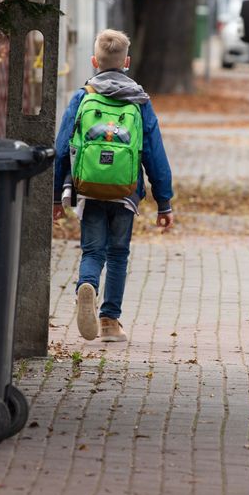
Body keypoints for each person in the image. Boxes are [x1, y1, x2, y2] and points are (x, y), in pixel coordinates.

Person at [52, 29, 174, 342]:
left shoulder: (83, 97)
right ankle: (109, 321)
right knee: (118, 254)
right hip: (125, 191)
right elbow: (153, 153)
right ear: (127, 62)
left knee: (93, 250)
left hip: (89, 188)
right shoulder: (140, 101)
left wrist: (55, 196)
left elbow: (63, 148)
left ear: (94, 61)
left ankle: (86, 285)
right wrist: (164, 202)